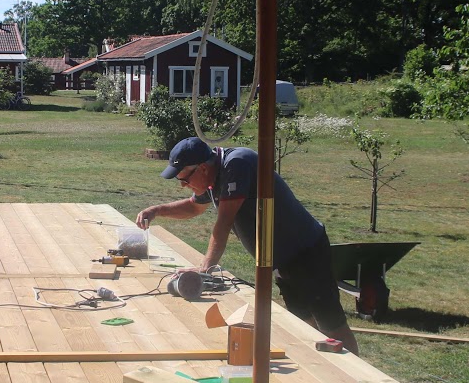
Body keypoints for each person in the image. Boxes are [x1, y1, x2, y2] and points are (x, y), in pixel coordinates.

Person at [136, 136, 359, 353]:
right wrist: (157, 210)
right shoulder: (213, 177)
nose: (183, 185)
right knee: (304, 325)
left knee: (332, 326)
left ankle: (357, 374)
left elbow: (224, 222)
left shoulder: (237, 164)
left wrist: (204, 270)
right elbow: (194, 207)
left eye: (185, 179)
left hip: (306, 252)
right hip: (282, 259)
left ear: (202, 168)